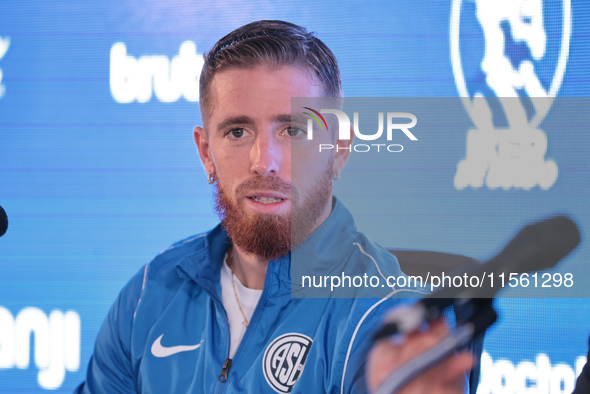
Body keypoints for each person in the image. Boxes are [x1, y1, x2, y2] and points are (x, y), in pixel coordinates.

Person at [76, 20, 475, 393]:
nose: (262, 159)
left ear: (338, 149)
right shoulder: (151, 292)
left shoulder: (386, 318)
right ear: (205, 153)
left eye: (292, 130)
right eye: (237, 131)